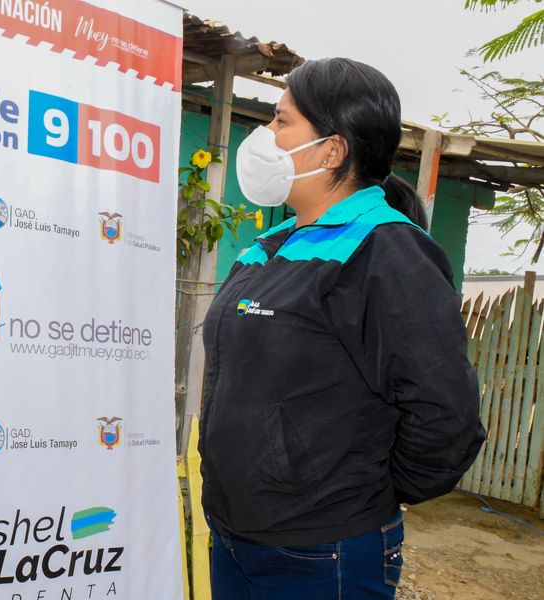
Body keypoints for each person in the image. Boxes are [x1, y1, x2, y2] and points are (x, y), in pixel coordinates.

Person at [199, 57, 486, 599]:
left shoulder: (388, 251)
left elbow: (444, 414)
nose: (266, 134)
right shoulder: (268, 248)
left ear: (331, 150)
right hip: (236, 537)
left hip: (320, 550)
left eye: (282, 120)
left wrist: (360, 493)